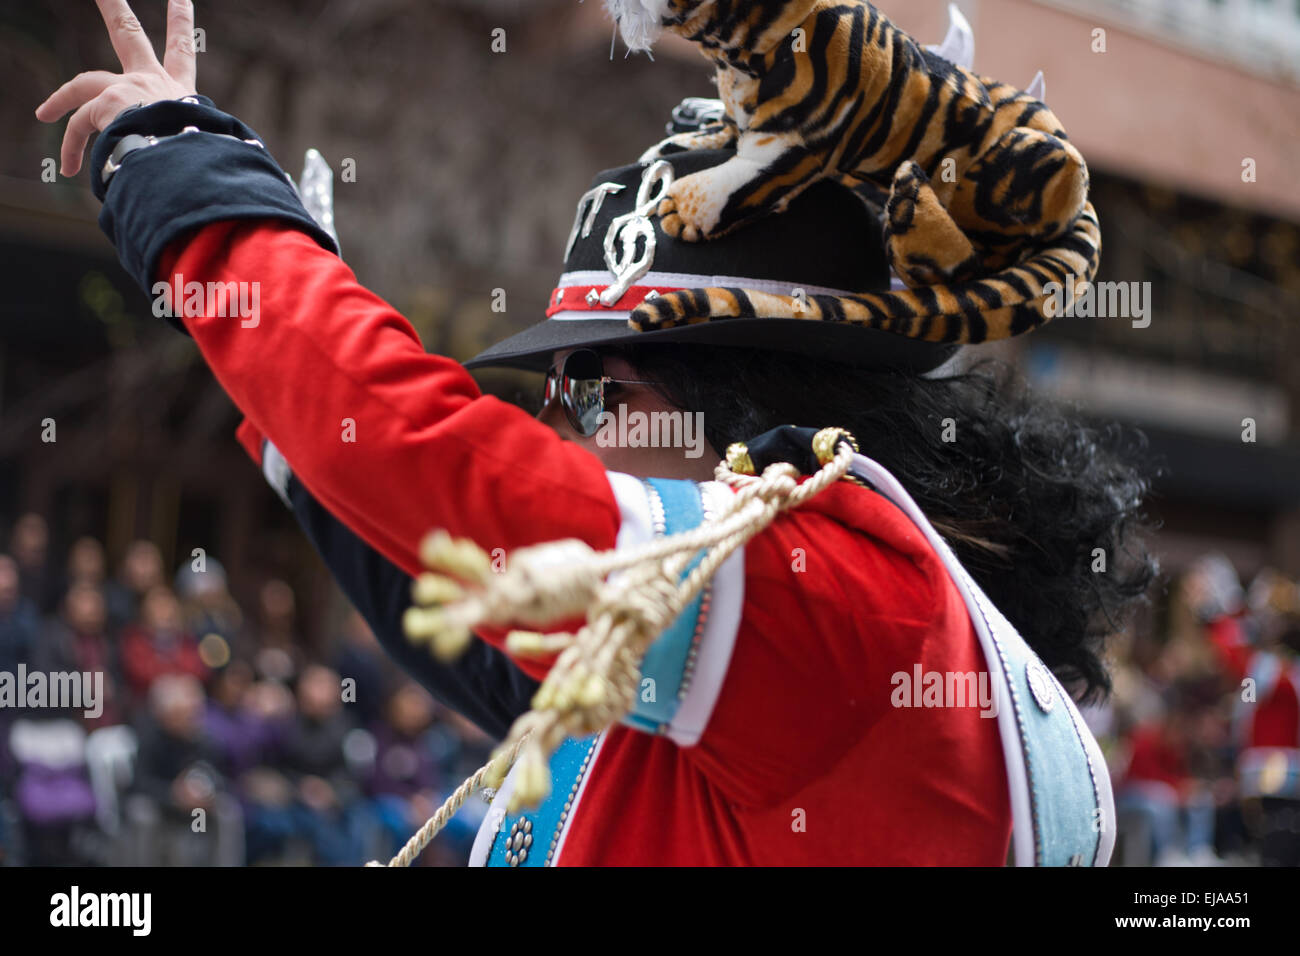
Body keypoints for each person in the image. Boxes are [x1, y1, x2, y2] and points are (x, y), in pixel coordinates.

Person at [37, 0, 1155, 865]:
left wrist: (195, 190)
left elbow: (442, 469)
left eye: (592, 393)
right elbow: (466, 606)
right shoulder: (780, 617)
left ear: (740, 397)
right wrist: (272, 358)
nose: (564, 428)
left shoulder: (836, 595)